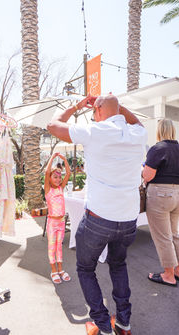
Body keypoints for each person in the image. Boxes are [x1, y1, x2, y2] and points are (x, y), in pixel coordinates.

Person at [47, 95, 147, 335]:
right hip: (128, 218)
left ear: (99, 110)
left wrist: (78, 106)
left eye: (94, 111)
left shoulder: (94, 131)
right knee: (118, 265)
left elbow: (52, 125)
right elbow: (136, 122)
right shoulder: (137, 134)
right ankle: (124, 323)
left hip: (99, 218)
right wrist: (116, 106)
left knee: (85, 268)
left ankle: (103, 326)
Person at [142, 119, 179, 287]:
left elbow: (147, 176)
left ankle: (169, 275)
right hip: (177, 193)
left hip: (160, 194)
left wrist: (144, 168)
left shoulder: (157, 149)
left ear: (159, 131)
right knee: (174, 234)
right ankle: (177, 270)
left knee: (163, 237)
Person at [44, 152, 71, 284]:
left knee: (59, 246)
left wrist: (65, 160)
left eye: (59, 178)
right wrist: (52, 158)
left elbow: (69, 174)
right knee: (52, 247)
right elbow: (47, 171)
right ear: (49, 178)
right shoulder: (48, 190)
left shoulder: (61, 188)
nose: (58, 180)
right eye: (55, 177)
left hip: (61, 222)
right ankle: (53, 270)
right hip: (52, 223)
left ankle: (60, 269)